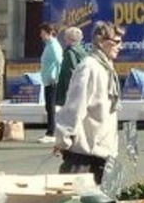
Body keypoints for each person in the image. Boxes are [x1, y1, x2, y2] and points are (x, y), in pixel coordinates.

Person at [54, 20, 122, 183]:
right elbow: (75, 106)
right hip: (84, 154)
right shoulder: (89, 66)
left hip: (104, 150)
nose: (120, 46)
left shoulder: (107, 67)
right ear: (101, 41)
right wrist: (64, 139)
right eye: (117, 42)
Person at [37, 23, 63, 143]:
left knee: (51, 107)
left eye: (42, 33)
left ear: (49, 33)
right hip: (48, 80)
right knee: (49, 107)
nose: (40, 35)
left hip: (52, 81)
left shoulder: (53, 45)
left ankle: (51, 133)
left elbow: (59, 61)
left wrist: (56, 77)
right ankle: (51, 131)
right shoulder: (48, 45)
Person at [55, 25, 87, 108]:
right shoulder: (83, 51)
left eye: (65, 36)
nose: (64, 38)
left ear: (70, 38)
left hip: (71, 94)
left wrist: (67, 94)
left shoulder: (70, 53)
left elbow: (69, 74)